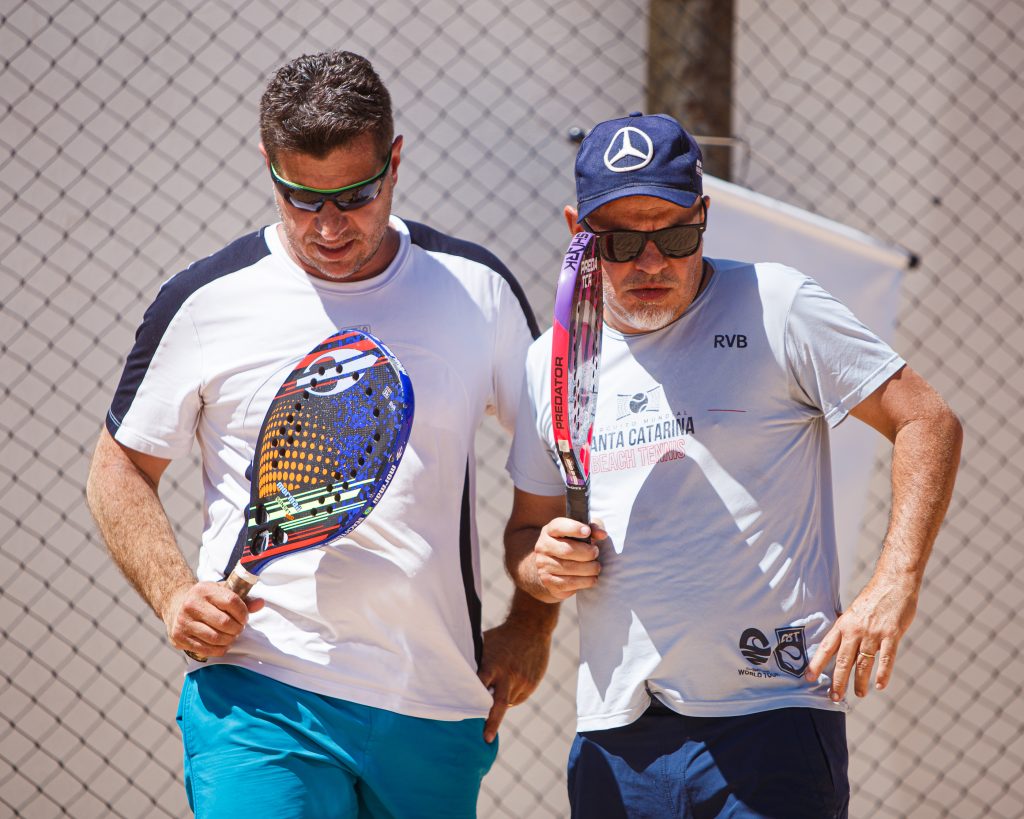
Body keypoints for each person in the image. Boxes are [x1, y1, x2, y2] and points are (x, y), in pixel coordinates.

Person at [86, 50, 558, 819]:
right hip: (261, 696)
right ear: (269, 165)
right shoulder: (206, 301)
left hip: (434, 701)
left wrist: (530, 624)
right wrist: (175, 594)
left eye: (356, 195)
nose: (330, 225)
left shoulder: (481, 291)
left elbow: (544, 489)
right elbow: (118, 467)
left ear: (396, 161)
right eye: (302, 198)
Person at [504, 112, 962, 818]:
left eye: (676, 235)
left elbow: (926, 419)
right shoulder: (552, 362)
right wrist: (539, 568)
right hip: (616, 730)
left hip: (772, 715)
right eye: (622, 241)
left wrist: (893, 584)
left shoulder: (778, 303)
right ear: (578, 231)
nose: (651, 262)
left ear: (705, 216)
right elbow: (527, 530)